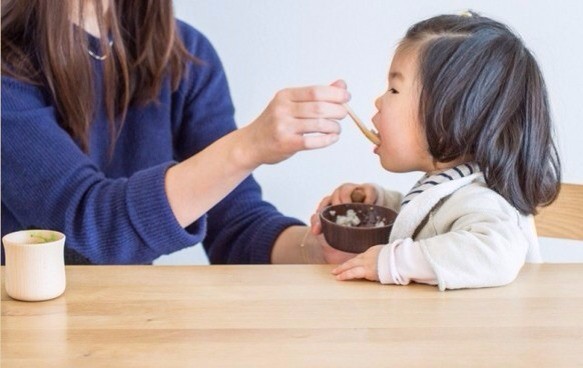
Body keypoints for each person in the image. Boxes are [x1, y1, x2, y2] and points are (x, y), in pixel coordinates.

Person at [1, 0, 348, 264]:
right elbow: (90, 226)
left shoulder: (186, 54)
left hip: (135, 325)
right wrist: (249, 147)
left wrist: (318, 247)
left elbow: (236, 222)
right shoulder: (8, 64)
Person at [310, 11, 561, 290]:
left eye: (393, 89)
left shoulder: (481, 198)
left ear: (450, 115)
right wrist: (383, 202)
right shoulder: (453, 185)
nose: (379, 101)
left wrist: (393, 262)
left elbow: (497, 252)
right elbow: (431, 222)